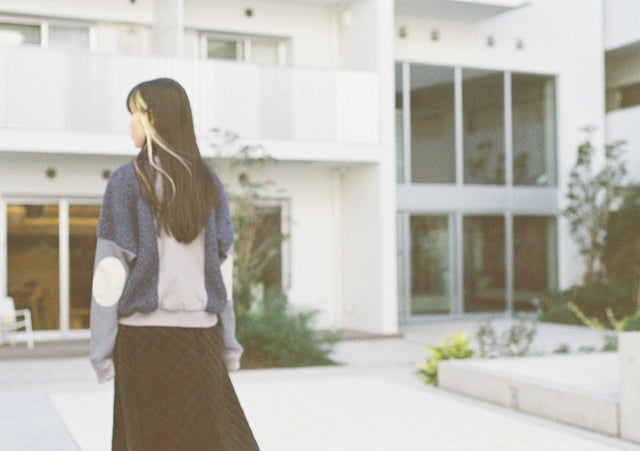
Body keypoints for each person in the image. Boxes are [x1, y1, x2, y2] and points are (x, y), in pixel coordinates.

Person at [89, 77, 260, 451]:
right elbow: (222, 272)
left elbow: (109, 273)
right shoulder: (207, 182)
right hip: (201, 340)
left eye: (134, 114)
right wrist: (229, 344)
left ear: (153, 118)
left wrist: (101, 351)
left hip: (142, 342)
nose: (130, 123)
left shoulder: (126, 182)